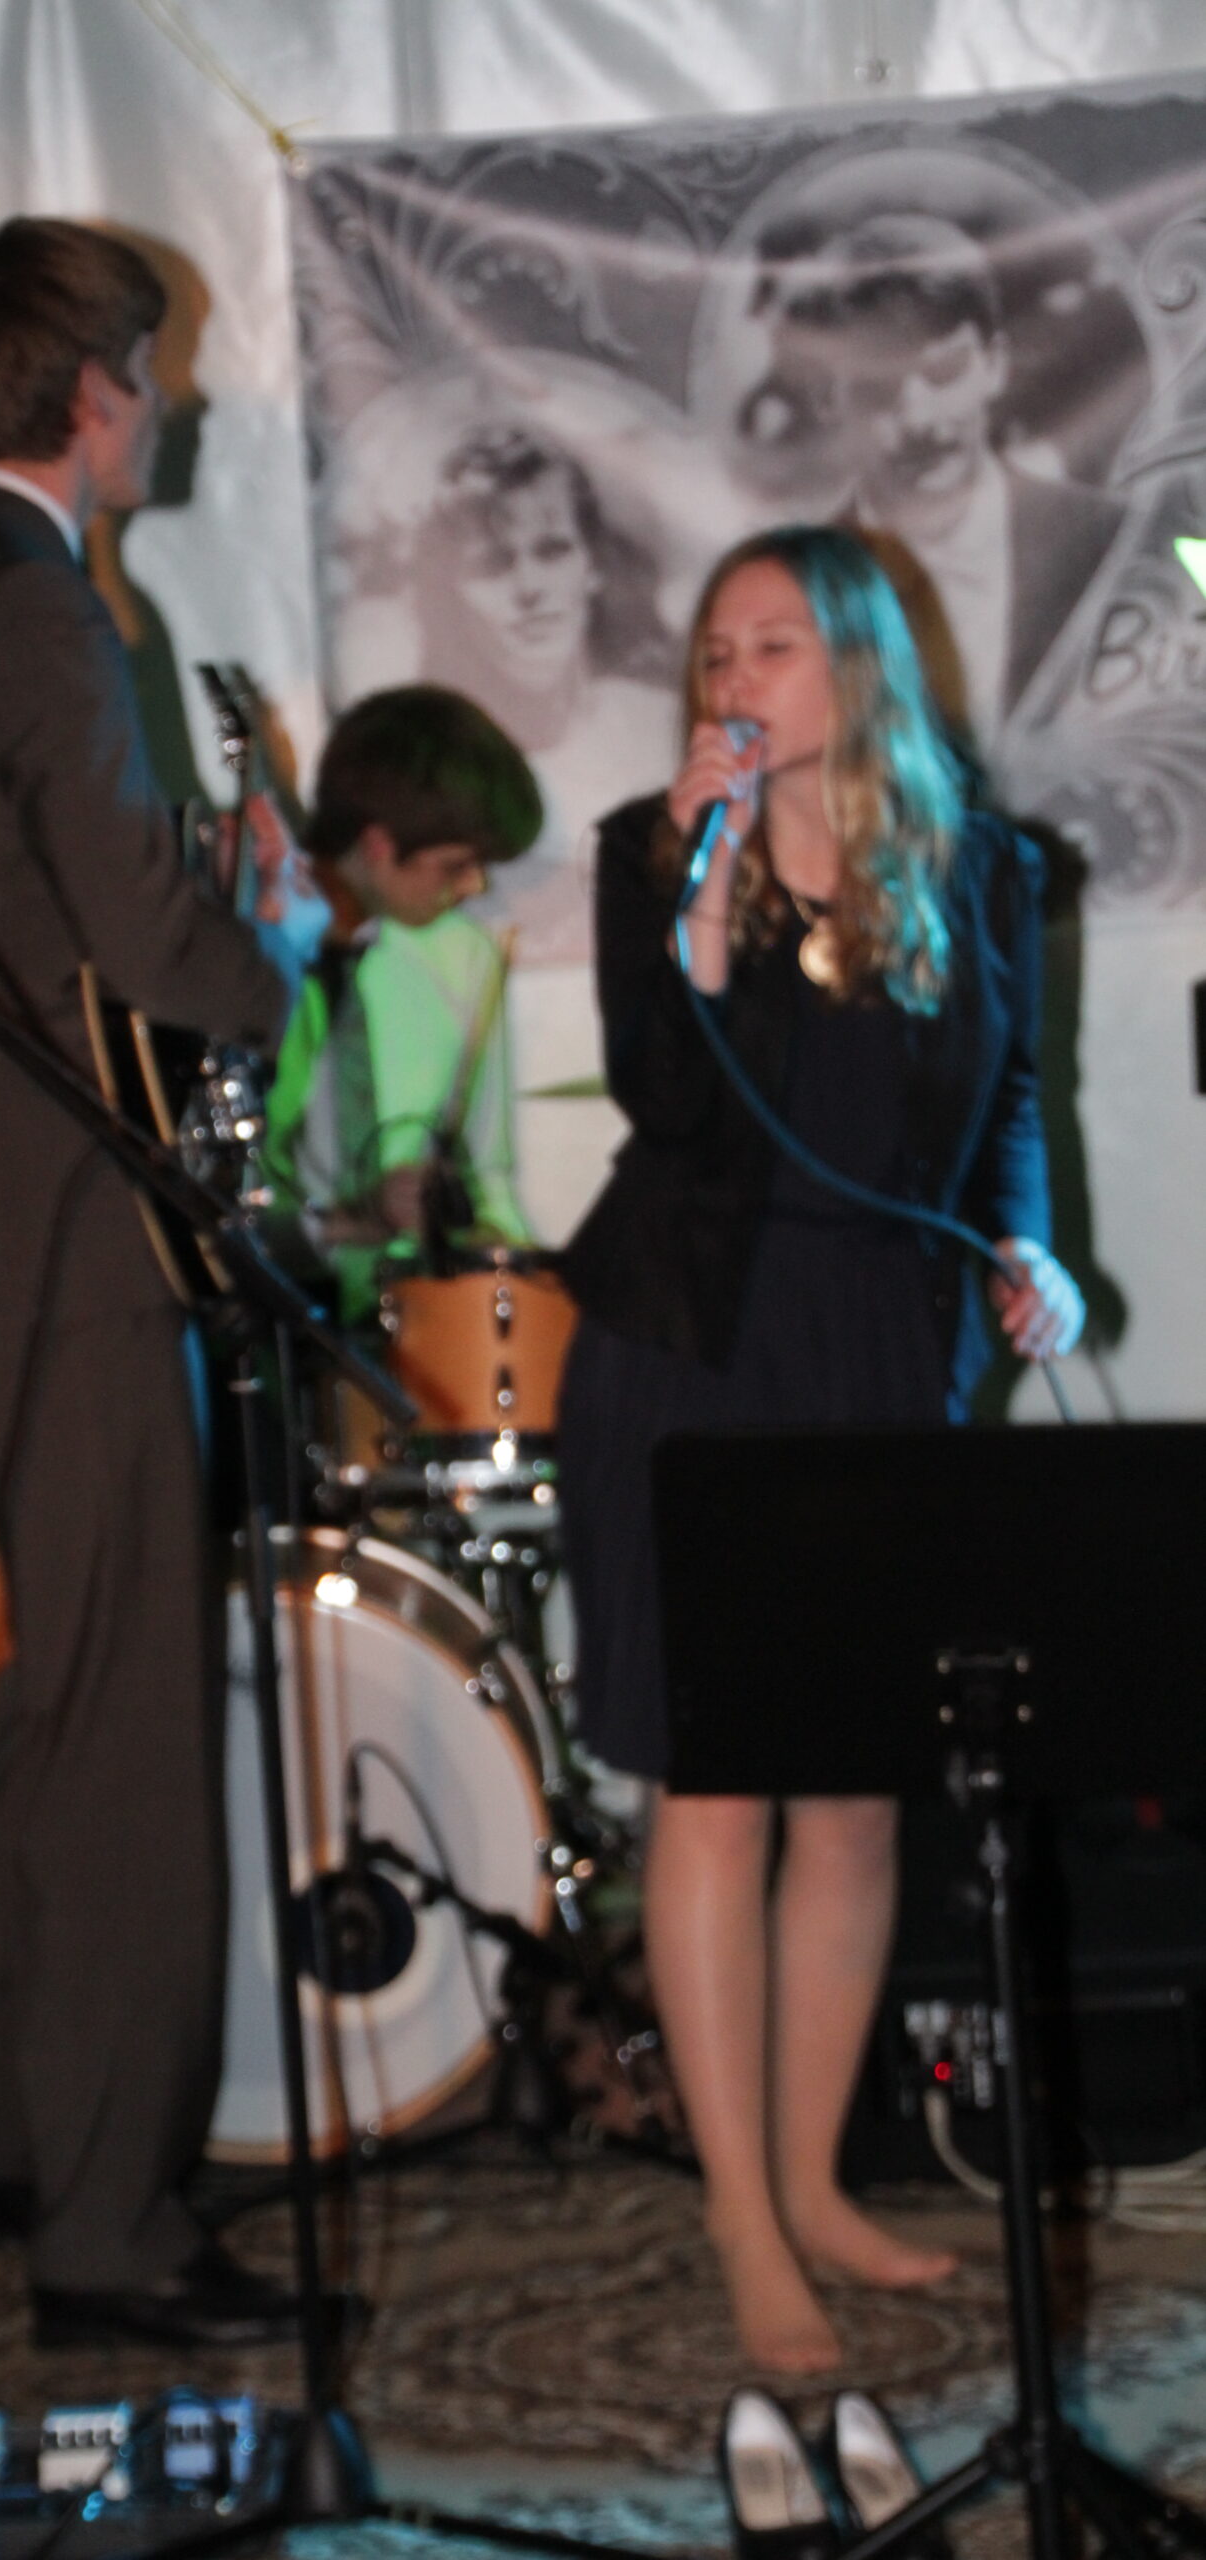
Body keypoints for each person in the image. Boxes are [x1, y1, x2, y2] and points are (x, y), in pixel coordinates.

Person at [0, 217, 328, 2349]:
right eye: (152, 365)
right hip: (72, 1231)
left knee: (64, 1686)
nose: (173, 398)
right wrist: (275, 953)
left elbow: (33, 913)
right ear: (87, 394)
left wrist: (180, 904)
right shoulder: (40, 607)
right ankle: (109, 2226)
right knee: (128, 1726)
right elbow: (141, 947)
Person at [555, 524, 1084, 2373]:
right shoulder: (651, 851)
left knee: (856, 1795)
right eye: (713, 652)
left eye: (768, 645)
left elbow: (1009, 1100)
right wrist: (700, 906)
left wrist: (1029, 1253)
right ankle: (737, 2215)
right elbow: (659, 1099)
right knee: (715, 1791)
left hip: (880, 1358)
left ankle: (812, 2183)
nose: (731, 679)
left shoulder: (979, 863)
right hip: (692, 1354)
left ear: (856, 664)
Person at [743, 214, 1124, 743]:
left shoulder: (1112, 542)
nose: (919, 418)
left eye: (945, 372)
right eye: (879, 388)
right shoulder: (794, 594)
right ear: (827, 397)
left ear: (995, 365)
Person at [261, 683, 544, 1323]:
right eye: (455, 865)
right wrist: (359, 1216)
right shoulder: (261, 953)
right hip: (276, 1318)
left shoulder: (465, 957)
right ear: (380, 845)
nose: (474, 886)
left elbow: (488, 1180)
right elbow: (225, 1203)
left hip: (419, 1328)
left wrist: (505, 1265)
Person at [412, 425, 676, 963]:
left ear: (592, 565)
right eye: (494, 563)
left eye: (552, 551)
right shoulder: (423, 770)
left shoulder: (661, 727)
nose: (529, 588)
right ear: (453, 589)